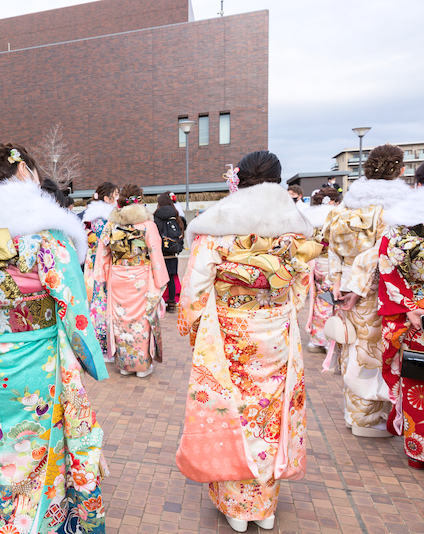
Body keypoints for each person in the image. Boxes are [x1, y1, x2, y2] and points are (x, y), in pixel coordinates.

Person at [0, 143, 108, 532]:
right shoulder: (43, 234)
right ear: (25, 172)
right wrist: (89, 359)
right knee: (37, 453)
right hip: (33, 365)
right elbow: (74, 311)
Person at [176, 151, 320, 532]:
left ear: (239, 178)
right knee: (271, 410)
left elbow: (194, 287)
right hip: (276, 331)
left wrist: (192, 328)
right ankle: (264, 506)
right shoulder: (295, 223)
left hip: (229, 330)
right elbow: (301, 284)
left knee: (232, 409)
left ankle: (236, 505)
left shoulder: (218, 223)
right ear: (277, 178)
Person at [323, 143, 412, 437]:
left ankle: (353, 414)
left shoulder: (348, 205)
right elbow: (381, 254)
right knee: (374, 350)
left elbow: (333, 251)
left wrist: (338, 283)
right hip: (376, 288)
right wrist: (360, 288)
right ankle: (369, 421)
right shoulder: (397, 207)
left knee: (353, 347)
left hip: (347, 285)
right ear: (399, 170)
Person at [94, 184, 168, 377]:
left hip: (118, 277)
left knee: (120, 320)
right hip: (141, 277)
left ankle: (124, 365)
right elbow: (156, 255)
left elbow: (102, 254)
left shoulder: (111, 225)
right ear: (140, 201)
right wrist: (160, 282)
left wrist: (101, 278)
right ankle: (141, 365)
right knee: (142, 321)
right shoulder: (147, 225)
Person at [377, 186, 424, 468]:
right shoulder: (400, 227)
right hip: (415, 314)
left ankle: (418, 451)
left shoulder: (397, 227)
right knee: (416, 378)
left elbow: (387, 270)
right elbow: (387, 267)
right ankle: (417, 449)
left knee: (417, 383)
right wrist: (412, 307)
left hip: (412, 312)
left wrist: (409, 306)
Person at [82, 181, 119, 362]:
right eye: (116, 194)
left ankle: (99, 344)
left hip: (93, 261)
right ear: (107, 198)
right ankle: (104, 345)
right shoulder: (106, 218)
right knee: (102, 301)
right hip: (102, 261)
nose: (118, 198)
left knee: (96, 300)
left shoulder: (93, 217)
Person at [303, 187, 342, 354]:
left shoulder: (311, 217)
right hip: (332, 263)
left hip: (316, 262)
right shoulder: (336, 217)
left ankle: (316, 339)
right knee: (333, 301)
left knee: (320, 300)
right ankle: (328, 340)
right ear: (332, 201)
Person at [153, 192, 185, 313]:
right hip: (173, 252)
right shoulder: (176, 215)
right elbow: (183, 228)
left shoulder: (156, 217)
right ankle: (171, 304)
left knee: (159, 279)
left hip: (160, 254)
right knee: (171, 278)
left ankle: (159, 302)